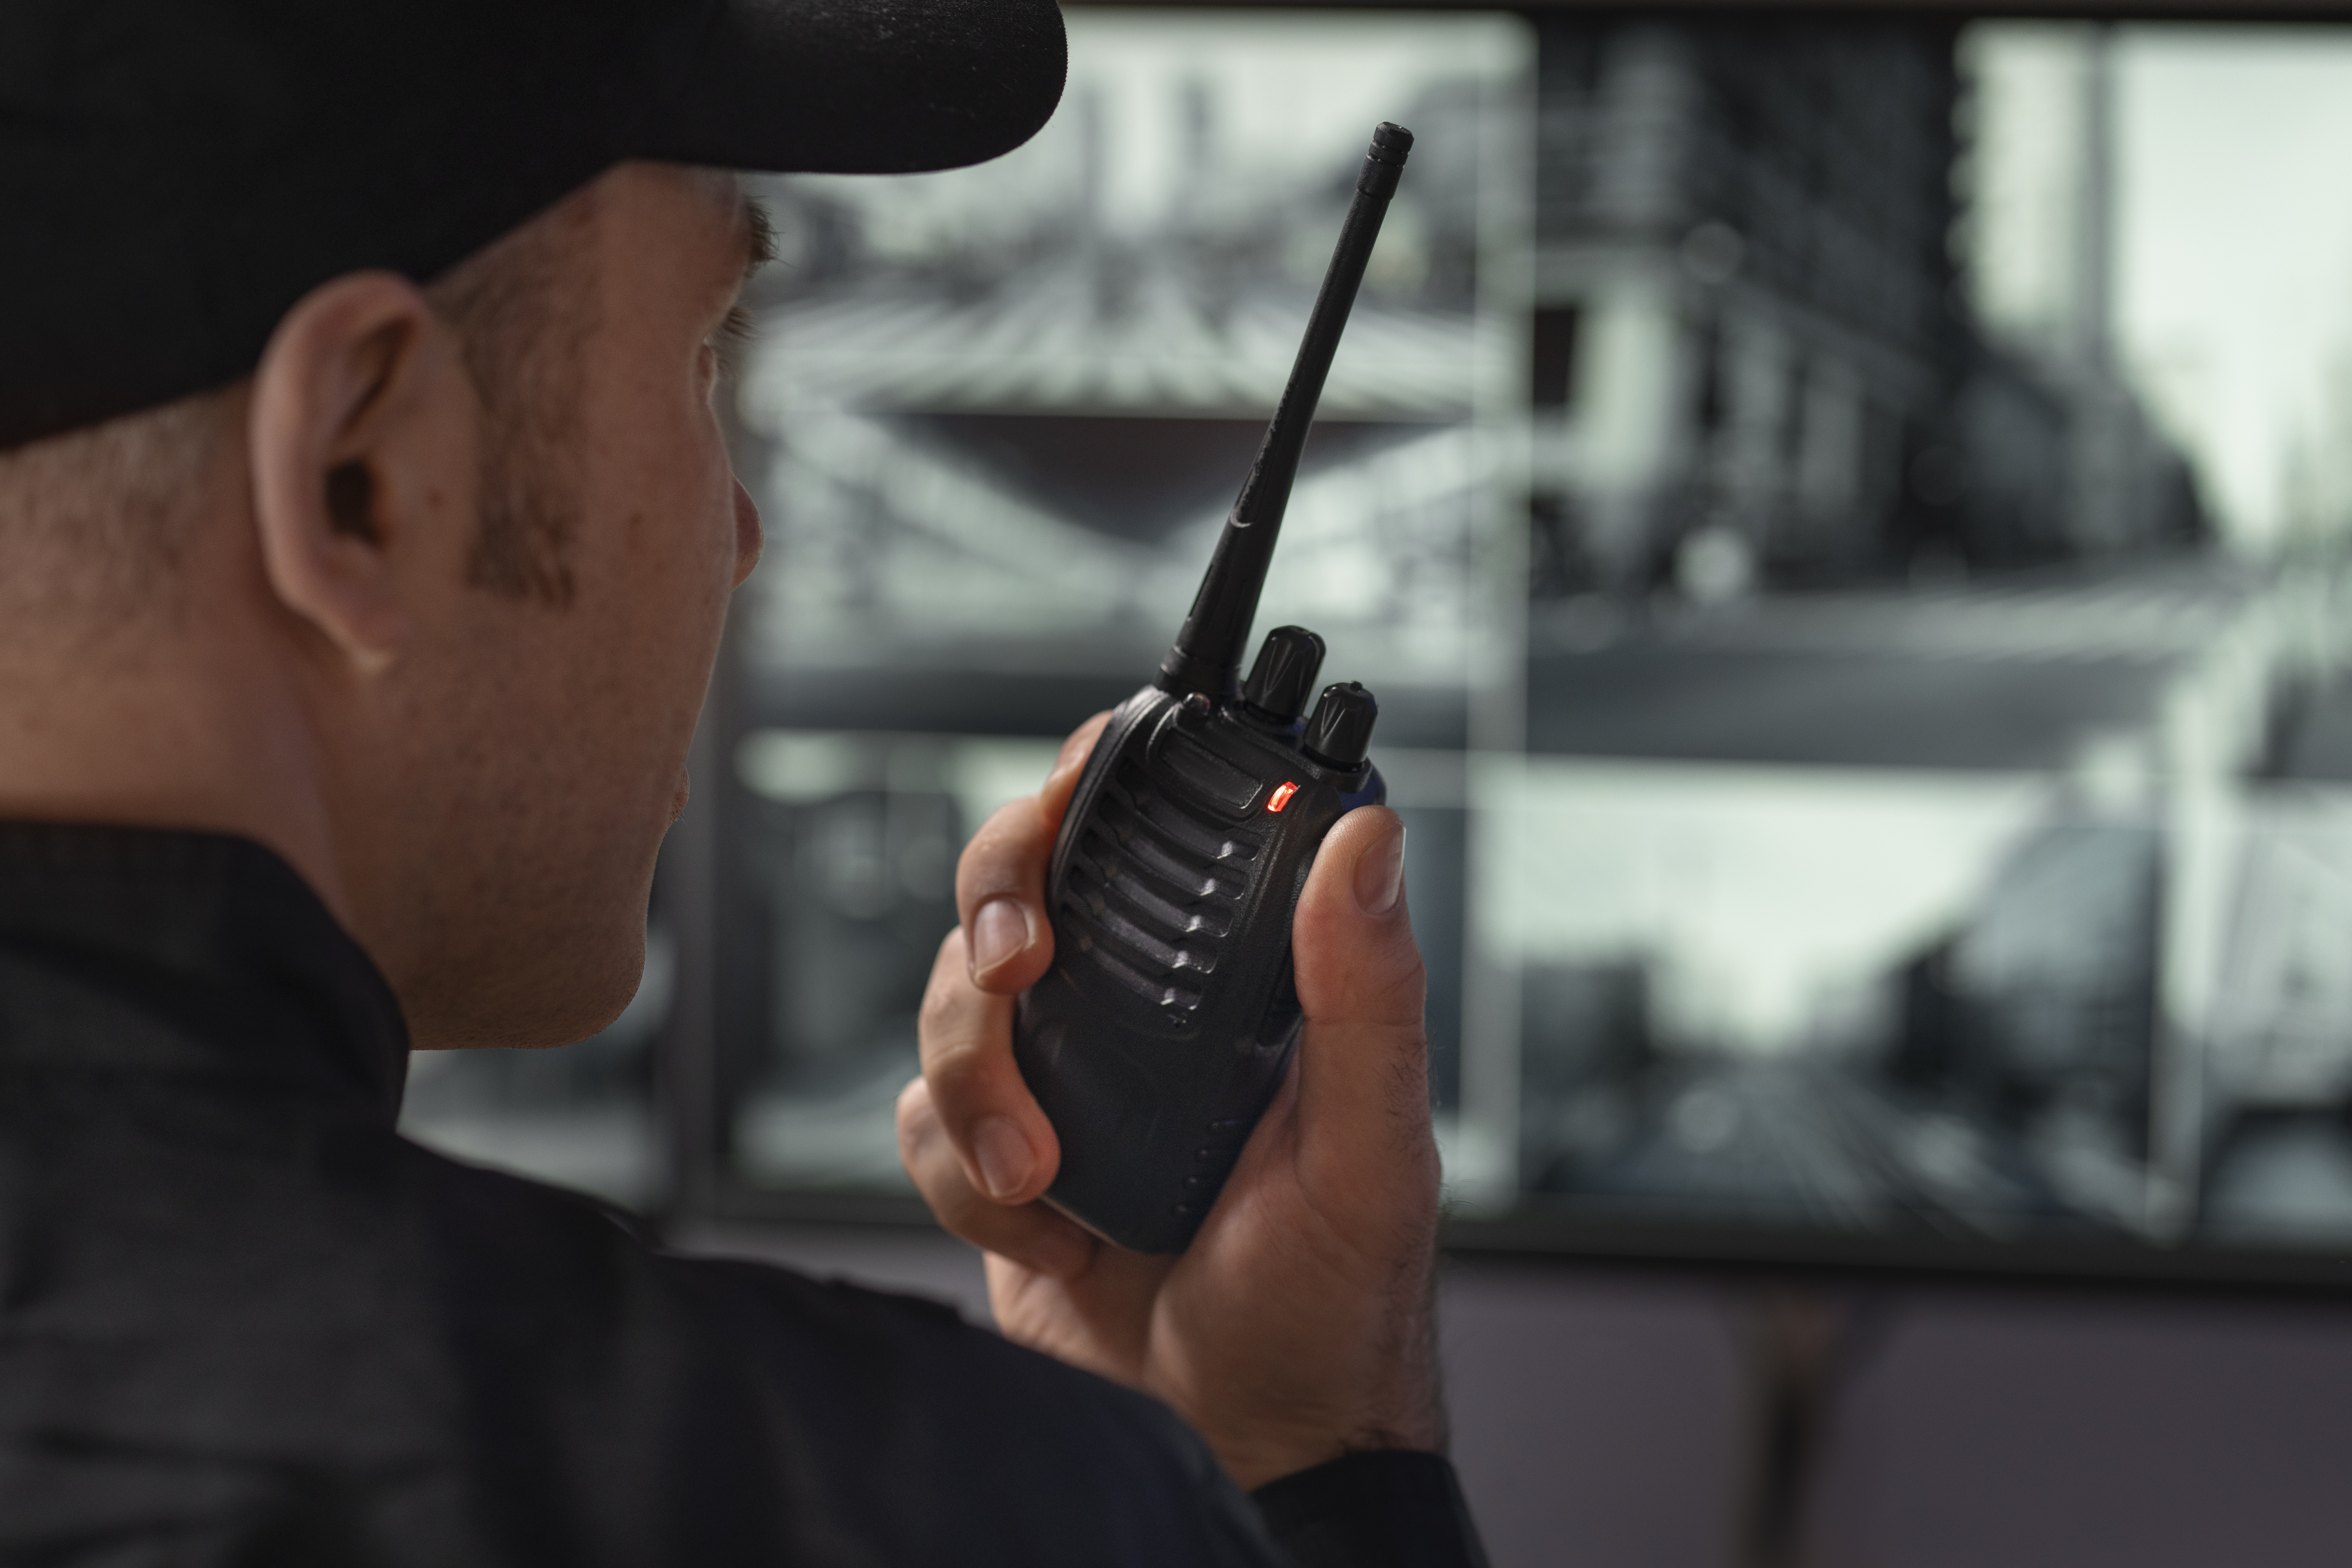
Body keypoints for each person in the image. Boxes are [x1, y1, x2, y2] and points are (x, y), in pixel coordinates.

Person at [0, 1, 1485, 1563]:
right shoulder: (906, 1504)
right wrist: (1297, 1468)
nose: (749, 538)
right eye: (707, 353)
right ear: (360, 477)